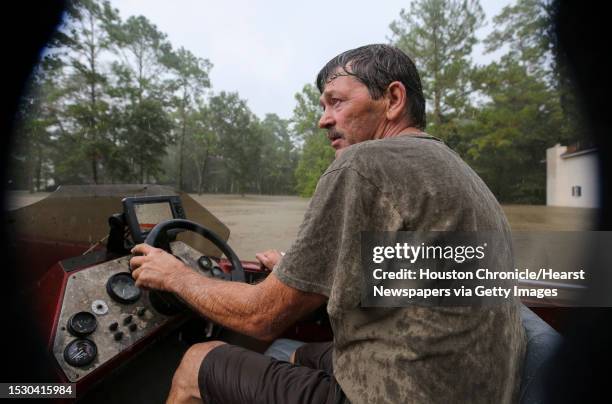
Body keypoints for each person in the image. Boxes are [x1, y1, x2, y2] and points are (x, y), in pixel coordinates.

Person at [130, 44, 525, 403]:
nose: (323, 120)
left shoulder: (363, 164)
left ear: (392, 98)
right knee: (300, 351)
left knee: (197, 361)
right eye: (323, 106)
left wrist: (175, 276)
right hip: (467, 384)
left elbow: (261, 318)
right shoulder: (456, 170)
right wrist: (305, 272)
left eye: (336, 102)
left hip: (408, 391)